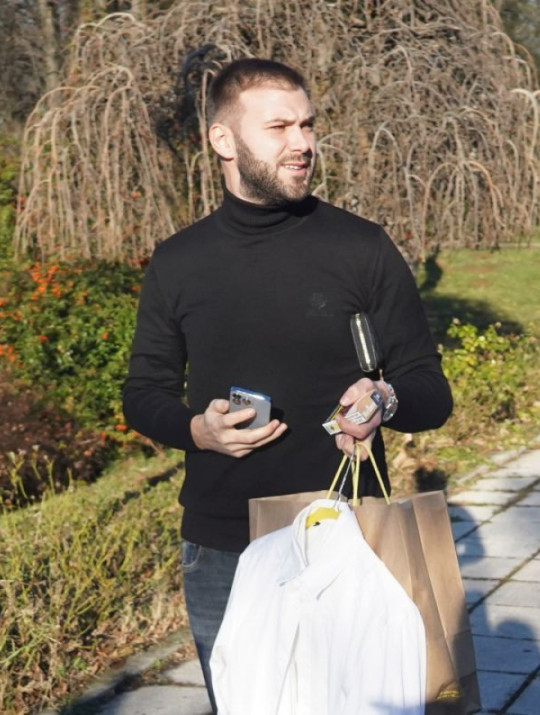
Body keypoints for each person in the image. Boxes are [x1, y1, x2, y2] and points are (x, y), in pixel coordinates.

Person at [122, 57, 452, 711]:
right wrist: (199, 431)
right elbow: (144, 392)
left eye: (307, 124)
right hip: (223, 548)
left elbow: (428, 388)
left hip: (349, 537)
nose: (302, 143)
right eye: (278, 127)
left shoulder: (362, 247)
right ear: (223, 139)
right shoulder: (178, 261)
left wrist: (384, 399)